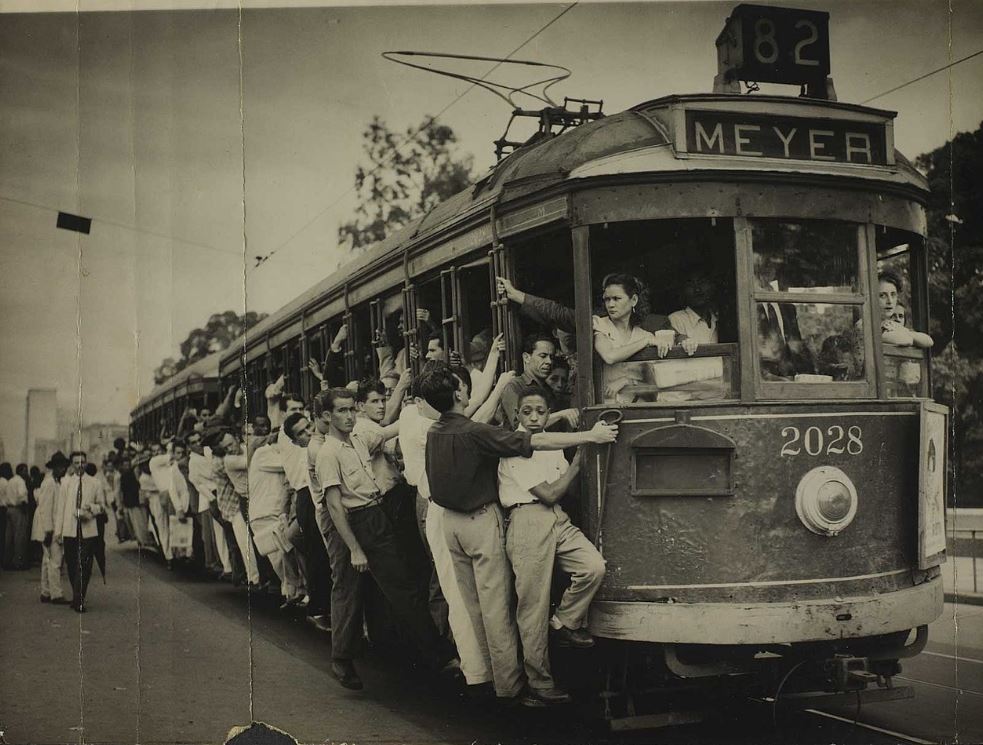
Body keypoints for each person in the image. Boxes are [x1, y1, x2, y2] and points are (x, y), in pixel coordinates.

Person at [420, 362, 618, 702]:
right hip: (482, 521)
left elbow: (525, 430)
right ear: (458, 393)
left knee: (477, 609)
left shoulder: (437, 431)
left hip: (448, 523)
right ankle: (515, 688)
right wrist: (589, 437)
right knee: (500, 610)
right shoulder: (472, 432)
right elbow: (530, 442)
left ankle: (493, 679)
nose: (468, 389)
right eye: (464, 386)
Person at [315, 387, 455, 691]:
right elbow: (334, 506)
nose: (350, 415)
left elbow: (392, 429)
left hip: (375, 516)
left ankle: (437, 657)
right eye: (341, 411)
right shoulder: (327, 453)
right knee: (348, 591)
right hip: (352, 523)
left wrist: (415, 407)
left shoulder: (359, 439)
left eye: (352, 409)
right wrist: (354, 549)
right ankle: (342, 659)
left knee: (402, 585)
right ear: (327, 416)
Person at [499, 387, 607, 705]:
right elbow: (549, 493)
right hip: (528, 519)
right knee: (532, 606)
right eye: (528, 411)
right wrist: (582, 456)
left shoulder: (551, 443)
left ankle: (565, 622)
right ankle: (539, 682)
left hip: (556, 519)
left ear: (548, 414)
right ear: (517, 415)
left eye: (541, 411)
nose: (534, 417)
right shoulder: (515, 446)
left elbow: (559, 493)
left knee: (593, 566)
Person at [281, 412, 332, 632]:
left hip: (314, 496)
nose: (308, 432)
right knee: (317, 555)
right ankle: (318, 610)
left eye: (308, 426)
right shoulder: (297, 451)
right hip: (307, 499)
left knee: (323, 555)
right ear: (294, 440)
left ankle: (323, 608)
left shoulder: (315, 443)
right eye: (301, 433)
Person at [593, 274, 664, 403]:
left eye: (616, 298)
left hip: (637, 411)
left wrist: (628, 382)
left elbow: (653, 394)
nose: (611, 304)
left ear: (634, 300)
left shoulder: (644, 334)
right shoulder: (600, 324)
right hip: (607, 410)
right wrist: (645, 342)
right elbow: (609, 356)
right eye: (607, 299)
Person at [55, 451, 107, 612]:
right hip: (70, 529)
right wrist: (58, 531)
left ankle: (79, 600)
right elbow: (61, 508)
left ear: (86, 463)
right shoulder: (65, 482)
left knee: (85, 564)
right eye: (76, 463)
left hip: (88, 528)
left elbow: (102, 506)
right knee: (71, 564)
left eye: (82, 462)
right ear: (72, 464)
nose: (79, 465)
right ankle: (77, 594)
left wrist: (90, 508)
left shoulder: (95, 483)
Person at [499, 332, 579, 431]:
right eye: (543, 356)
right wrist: (561, 415)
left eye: (551, 357)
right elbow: (522, 426)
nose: (549, 361)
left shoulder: (548, 391)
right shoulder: (514, 386)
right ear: (526, 357)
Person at [754, 254, 816, 379]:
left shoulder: (788, 307)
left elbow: (795, 346)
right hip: (762, 381)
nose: (768, 270)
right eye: (763, 266)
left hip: (790, 378)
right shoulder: (750, 305)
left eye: (772, 266)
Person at [33, 451, 70, 603]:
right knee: (55, 561)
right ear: (54, 467)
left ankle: (46, 592)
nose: (63, 469)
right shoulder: (49, 483)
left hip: (52, 527)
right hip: (49, 528)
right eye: (60, 467)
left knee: (47, 560)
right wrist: (49, 531)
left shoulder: (56, 482)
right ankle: (56, 594)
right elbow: (45, 508)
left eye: (64, 467)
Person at [878, 271, 933, 349]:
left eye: (893, 295)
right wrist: (900, 329)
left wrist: (899, 328)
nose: (890, 301)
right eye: (882, 295)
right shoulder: (866, 325)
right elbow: (907, 340)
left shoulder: (887, 324)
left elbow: (929, 341)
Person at [1, 461, 29, 569]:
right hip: (18, 510)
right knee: (19, 537)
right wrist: (25, 511)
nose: (26, 473)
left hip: (9, 509)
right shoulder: (20, 481)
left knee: (9, 537)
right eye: (25, 470)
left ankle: (7, 561)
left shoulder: (10, 481)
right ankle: (18, 562)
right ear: (21, 471)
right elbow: (22, 497)